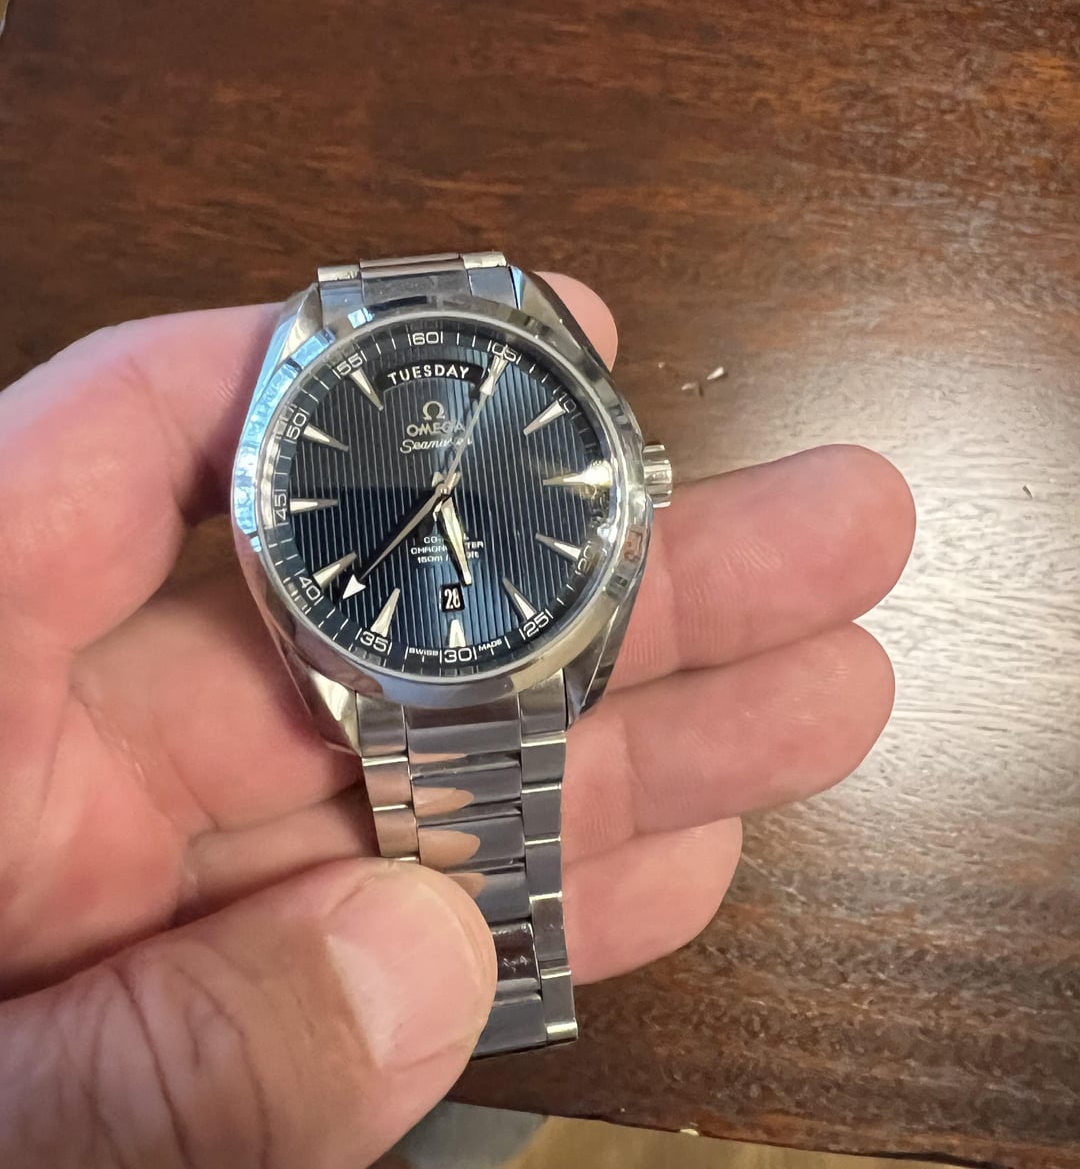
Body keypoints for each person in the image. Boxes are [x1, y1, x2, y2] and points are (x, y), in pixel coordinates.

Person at [0, 276, 915, 1168]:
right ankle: (464, 1030)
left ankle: (462, 1032)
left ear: (638, 487)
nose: (441, 498)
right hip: (381, 661)